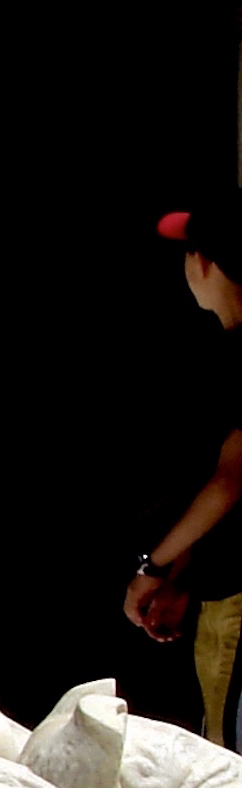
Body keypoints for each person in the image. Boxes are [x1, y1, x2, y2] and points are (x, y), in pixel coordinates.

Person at [122, 200, 242, 746]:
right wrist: (183, 574)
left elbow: (229, 482)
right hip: (220, 592)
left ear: (207, 263)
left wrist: (154, 564)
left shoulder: (240, 357)